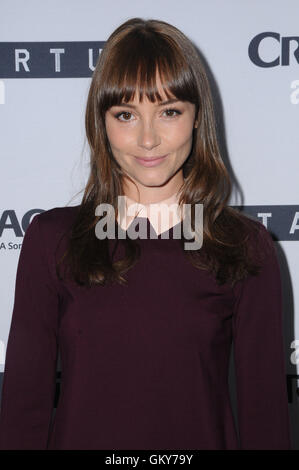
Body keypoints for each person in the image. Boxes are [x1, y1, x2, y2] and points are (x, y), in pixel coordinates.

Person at [0, 17, 292, 450]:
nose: (148, 138)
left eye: (169, 111)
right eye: (126, 114)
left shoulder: (244, 246)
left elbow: (264, 416)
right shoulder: (52, 239)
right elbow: (24, 409)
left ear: (197, 118)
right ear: (102, 122)